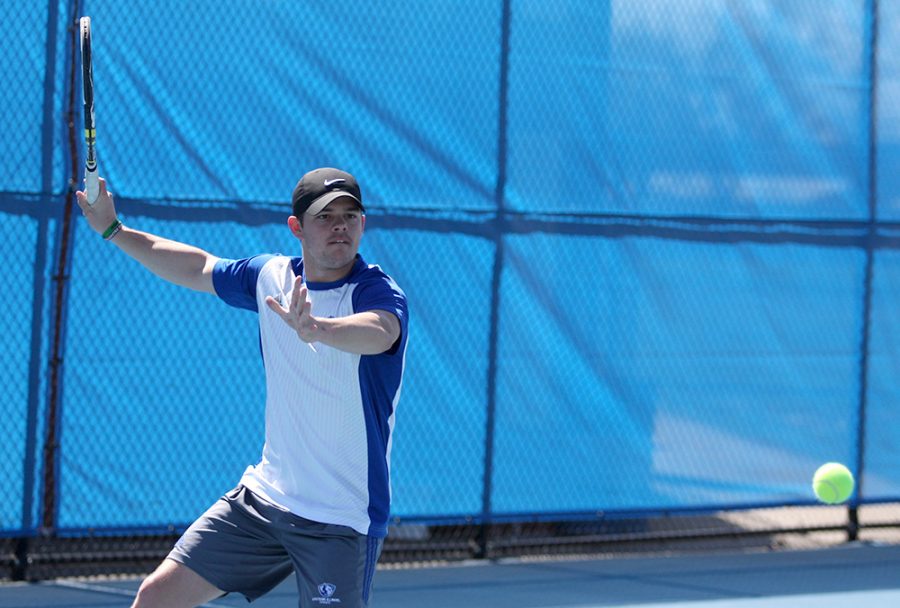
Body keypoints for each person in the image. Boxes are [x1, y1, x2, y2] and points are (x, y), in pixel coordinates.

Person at [76, 167, 409, 608]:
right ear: (297, 227)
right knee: (156, 597)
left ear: (363, 224)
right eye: (326, 216)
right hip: (265, 501)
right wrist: (114, 229)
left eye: (350, 215)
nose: (340, 226)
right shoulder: (270, 278)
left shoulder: (379, 293)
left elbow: (380, 331)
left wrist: (319, 329)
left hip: (341, 520)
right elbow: (197, 266)